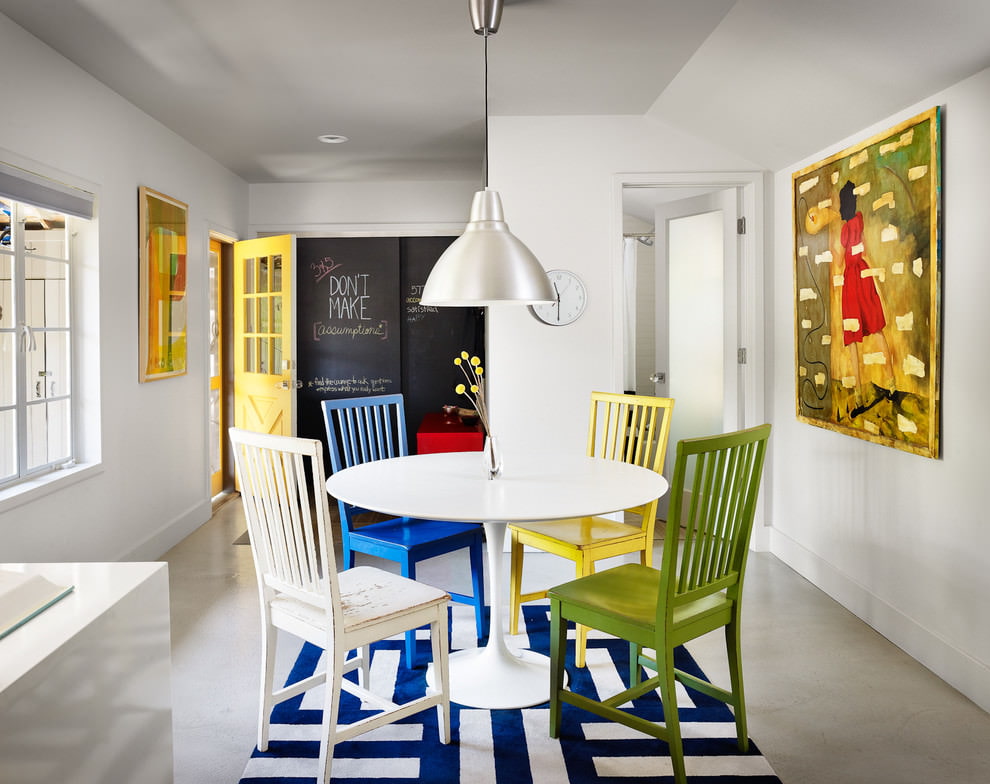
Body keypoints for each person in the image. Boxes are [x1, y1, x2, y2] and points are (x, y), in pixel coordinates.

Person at [837, 180, 896, 417]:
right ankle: (891, 383)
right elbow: (865, 250)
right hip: (863, 275)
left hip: (851, 280)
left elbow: (843, 260)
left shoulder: (844, 229)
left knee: (852, 338)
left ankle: (860, 394)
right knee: (877, 327)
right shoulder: (859, 221)